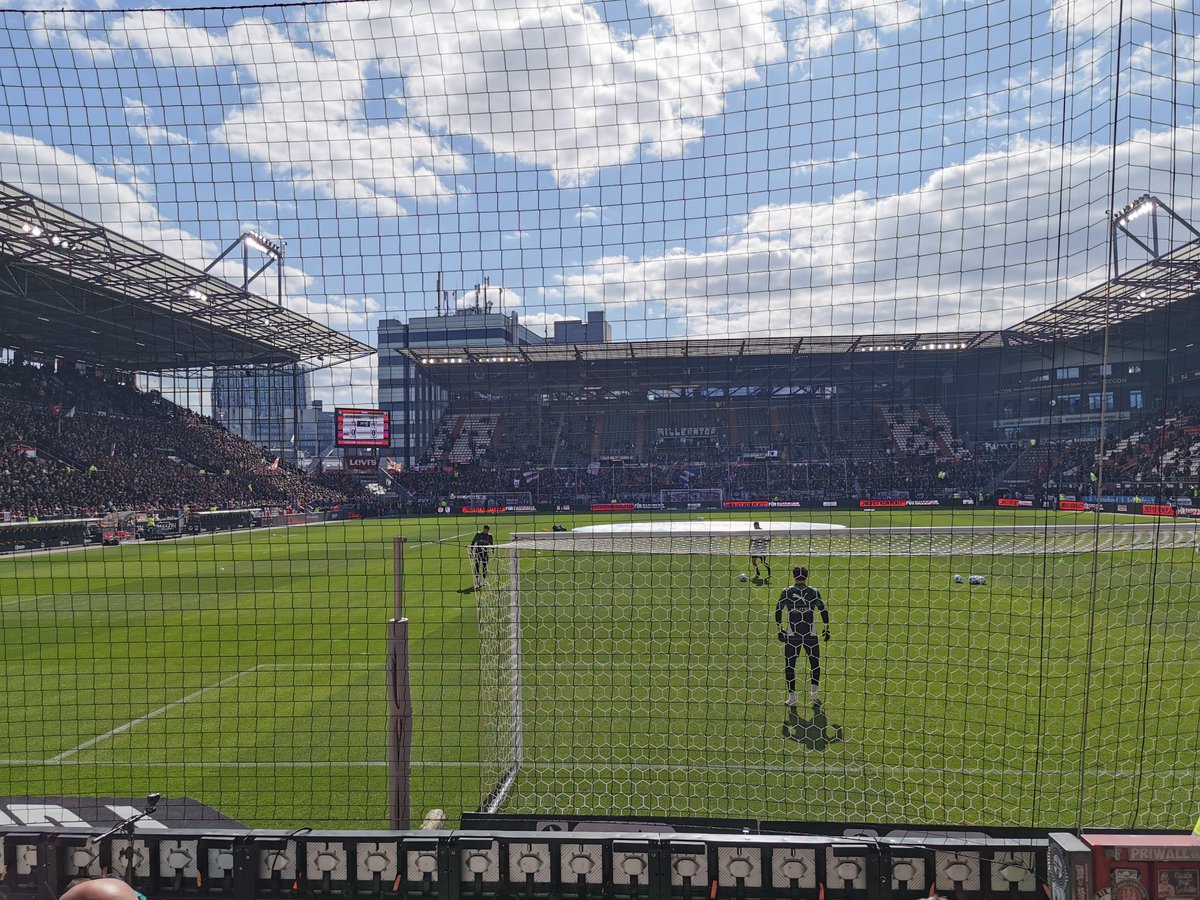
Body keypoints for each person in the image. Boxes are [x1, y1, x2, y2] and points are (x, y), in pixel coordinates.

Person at [775, 565, 830, 709]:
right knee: (815, 664)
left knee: (790, 665)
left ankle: (792, 698)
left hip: (793, 634)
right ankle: (814, 696)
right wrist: (826, 628)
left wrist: (780, 630)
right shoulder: (813, 592)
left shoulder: (787, 592)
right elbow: (823, 609)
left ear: (793, 575)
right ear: (806, 576)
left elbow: (778, 610)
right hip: (810, 634)